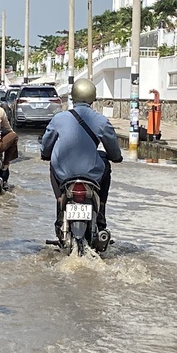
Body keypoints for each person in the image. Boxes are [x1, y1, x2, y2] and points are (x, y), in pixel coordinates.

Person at [41, 78, 124, 235]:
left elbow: (46, 145)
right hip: (92, 174)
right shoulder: (101, 121)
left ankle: (59, 201)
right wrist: (116, 157)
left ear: (73, 96)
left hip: (63, 174)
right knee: (105, 162)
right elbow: (113, 150)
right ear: (93, 97)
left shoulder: (59, 118)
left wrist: (46, 154)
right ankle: (101, 211)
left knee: (52, 161)